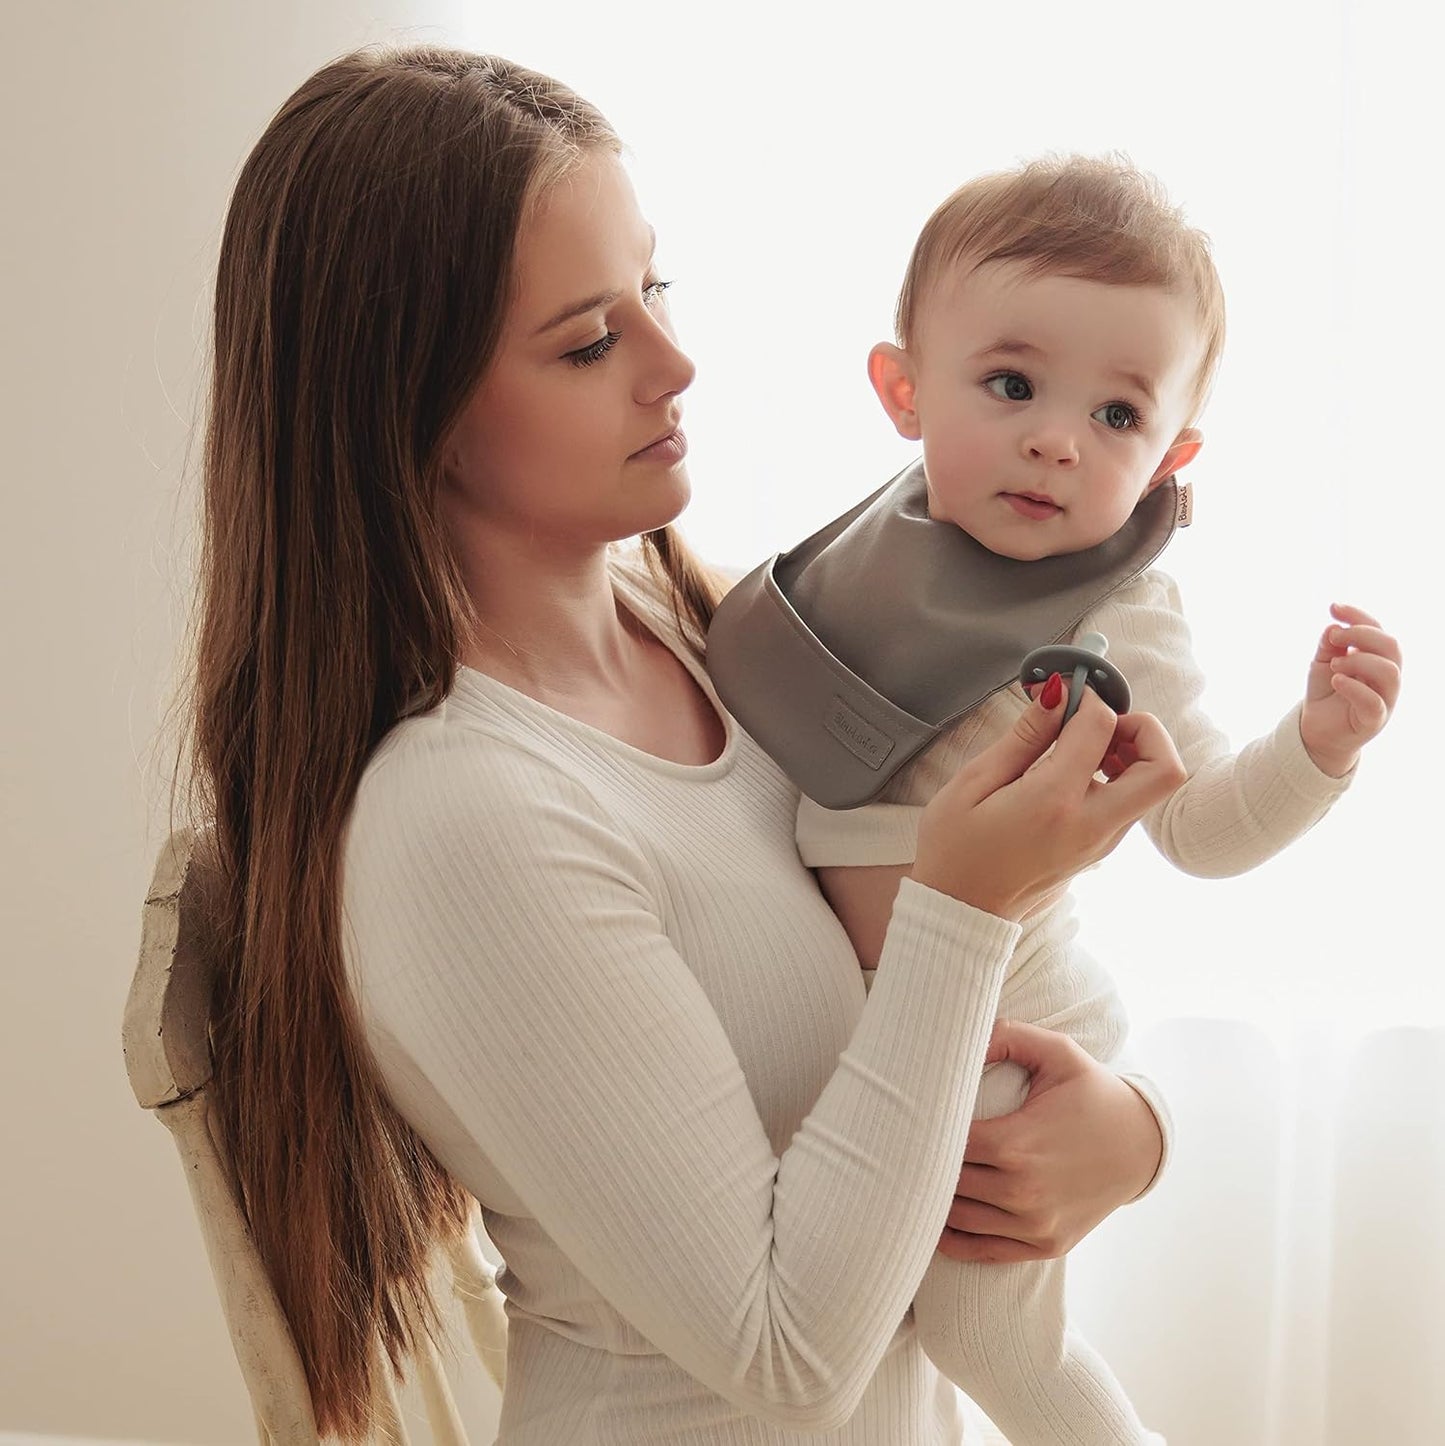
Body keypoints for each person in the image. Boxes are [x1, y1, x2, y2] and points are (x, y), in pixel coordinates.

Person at [177, 46, 1196, 1445]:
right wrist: (963, 901)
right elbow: (785, 1352)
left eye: (654, 289)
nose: (676, 362)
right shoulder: (463, 815)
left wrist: (1127, 1131)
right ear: (407, 408)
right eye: (590, 340)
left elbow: (934, 1056)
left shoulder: (722, 641)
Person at [706, 154, 1403, 1444]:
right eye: (1012, 385)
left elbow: (1197, 831)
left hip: (1006, 1030)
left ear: (1174, 455)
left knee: (990, 1345)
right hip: (878, 1040)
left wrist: (1316, 749)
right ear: (902, 391)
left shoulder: (1118, 608)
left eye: (1119, 416)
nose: (1056, 438)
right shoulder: (853, 557)